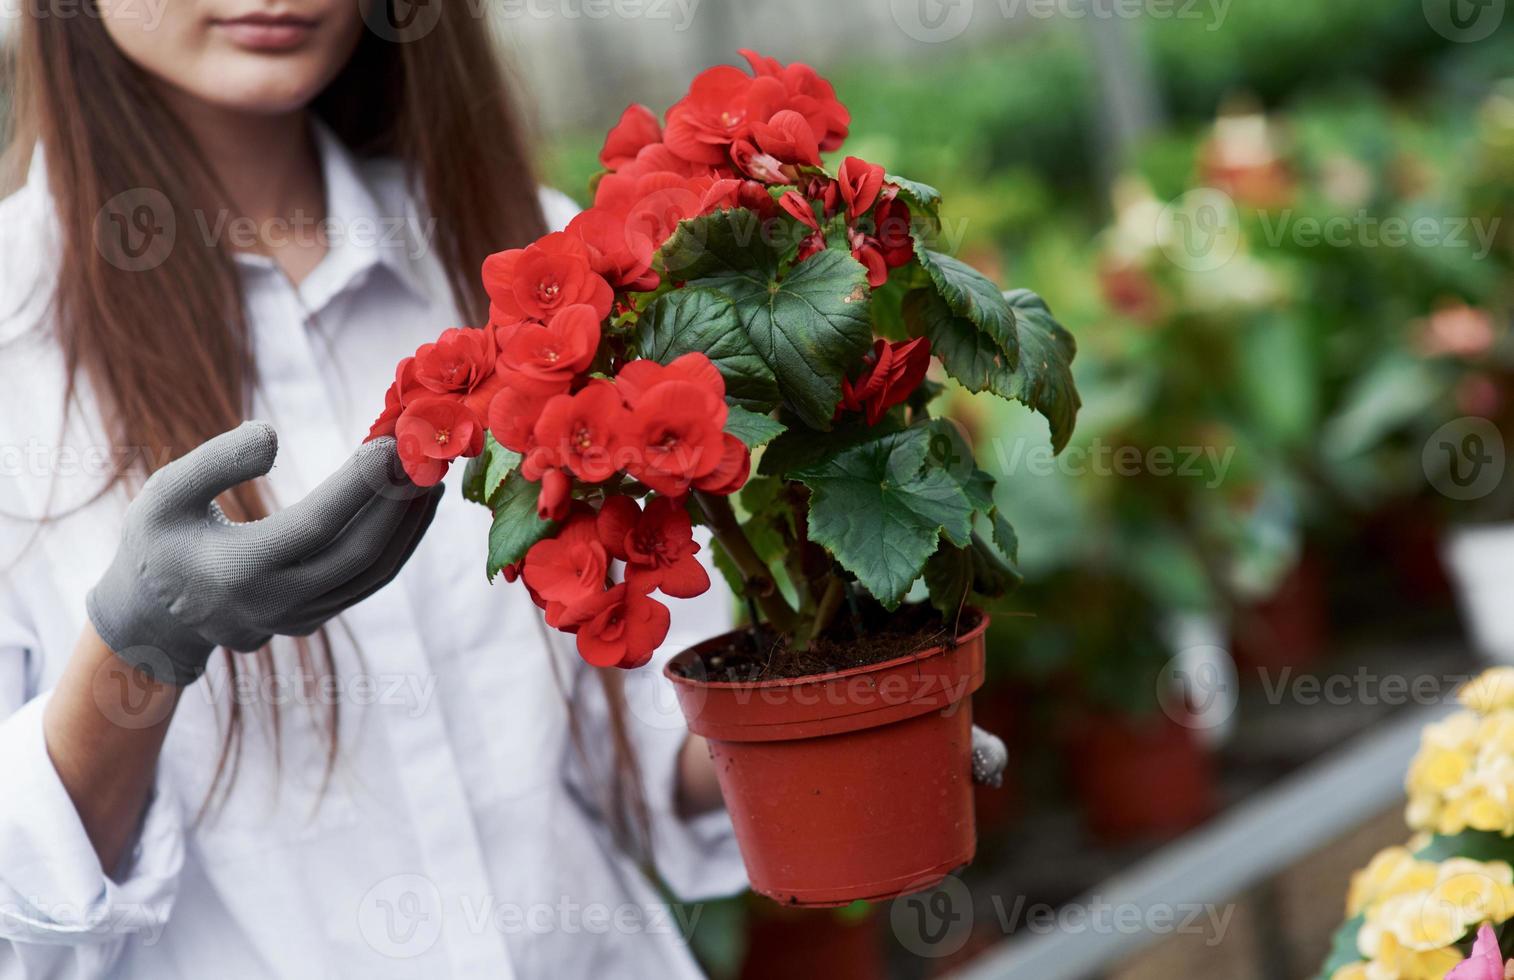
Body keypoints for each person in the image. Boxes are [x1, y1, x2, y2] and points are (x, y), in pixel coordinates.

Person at [0, 4, 1004, 977]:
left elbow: (648, 745)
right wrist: (137, 647)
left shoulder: (533, 251)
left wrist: (867, 710)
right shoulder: (16, 337)